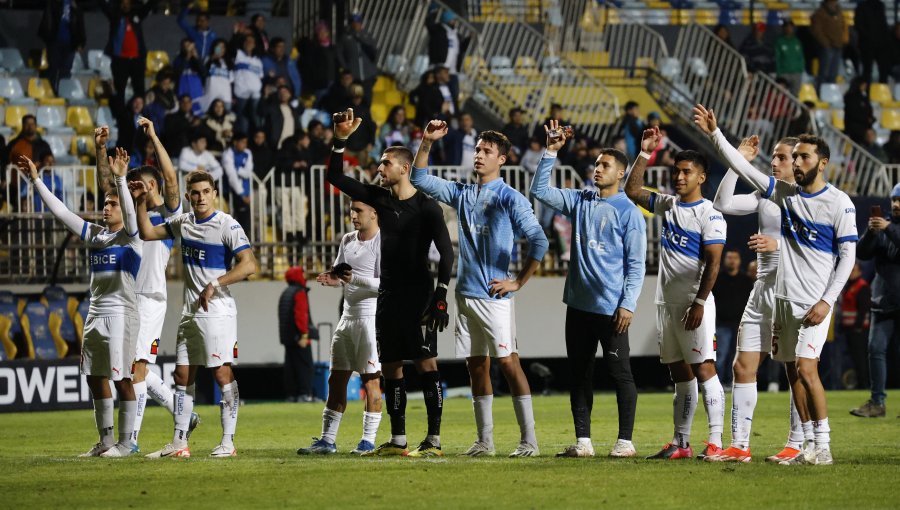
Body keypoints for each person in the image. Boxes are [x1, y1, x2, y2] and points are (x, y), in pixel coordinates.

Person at [695, 104, 858, 466]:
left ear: (819, 162)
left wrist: (826, 298)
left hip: (809, 295)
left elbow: (843, 255)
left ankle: (812, 442)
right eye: (789, 156)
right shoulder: (775, 195)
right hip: (773, 290)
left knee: (803, 367)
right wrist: (719, 138)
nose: (789, 162)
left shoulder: (837, 203)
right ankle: (750, 444)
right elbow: (725, 196)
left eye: (795, 156)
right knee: (780, 367)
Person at [412, 121, 549, 458]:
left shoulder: (509, 197)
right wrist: (427, 142)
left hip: (495, 297)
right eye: (477, 149)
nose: (479, 155)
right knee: (477, 367)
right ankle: (484, 441)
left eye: (487, 151)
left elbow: (540, 240)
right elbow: (418, 179)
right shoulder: (463, 193)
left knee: (508, 364)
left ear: (502, 160)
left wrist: (517, 280)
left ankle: (529, 440)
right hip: (466, 295)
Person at [325, 108, 454, 458]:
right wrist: (340, 139)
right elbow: (335, 176)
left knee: (427, 364)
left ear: (404, 168)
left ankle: (435, 440)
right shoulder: (379, 200)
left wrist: (441, 296)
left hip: (419, 296)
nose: (379, 169)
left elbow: (446, 254)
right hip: (388, 295)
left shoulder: (428, 207)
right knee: (392, 366)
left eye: (385, 164)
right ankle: (398, 439)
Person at [530, 120, 645, 458]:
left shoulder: (630, 213)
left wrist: (628, 304)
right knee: (579, 375)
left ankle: (625, 441)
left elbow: (636, 265)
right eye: (596, 164)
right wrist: (550, 152)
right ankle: (583, 442)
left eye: (605, 165)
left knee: (620, 373)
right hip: (578, 306)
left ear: (620, 173)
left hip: (611, 310)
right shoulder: (581, 199)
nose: (597, 169)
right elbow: (539, 191)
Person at [20, 148, 140, 457]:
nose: (106, 208)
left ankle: (128, 443)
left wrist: (121, 180)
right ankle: (107, 440)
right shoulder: (96, 236)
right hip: (95, 313)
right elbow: (61, 213)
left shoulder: (131, 237)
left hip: (121, 314)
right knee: (94, 375)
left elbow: (129, 211)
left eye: (111, 204)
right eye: (104, 203)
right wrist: (36, 181)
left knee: (123, 377)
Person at [133, 170, 257, 458]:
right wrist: (140, 201)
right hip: (190, 313)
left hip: (218, 312)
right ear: (188, 197)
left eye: (206, 191)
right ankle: (179, 443)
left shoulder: (228, 225)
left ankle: (228, 442)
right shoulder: (183, 223)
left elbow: (249, 265)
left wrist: (215, 284)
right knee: (182, 375)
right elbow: (148, 233)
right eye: (195, 193)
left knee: (221, 373)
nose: (201, 197)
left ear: (214, 193)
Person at [624, 128, 727, 461]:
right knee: (679, 373)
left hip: (692, 305)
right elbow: (632, 189)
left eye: (687, 172)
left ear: (701, 177)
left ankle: (715, 442)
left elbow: (714, 263)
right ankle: (681, 443)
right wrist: (644, 154)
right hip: (666, 303)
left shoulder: (710, 215)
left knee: (704, 368)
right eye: (677, 172)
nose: (679, 177)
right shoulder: (668, 205)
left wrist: (698, 301)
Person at [708, 134, 807, 463]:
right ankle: (739, 445)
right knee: (742, 365)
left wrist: (777, 247)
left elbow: (821, 247)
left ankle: (797, 443)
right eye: (774, 157)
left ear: (799, 161)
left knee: (795, 368)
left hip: (793, 288)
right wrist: (738, 163)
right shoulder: (765, 196)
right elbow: (722, 204)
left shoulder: (806, 197)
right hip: (763, 286)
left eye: (782, 157)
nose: (775, 163)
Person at [102, 120, 199, 451]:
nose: (134, 190)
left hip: (149, 299)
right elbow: (110, 189)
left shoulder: (167, 218)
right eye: (131, 187)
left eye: (140, 185)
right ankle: (182, 412)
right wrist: (102, 152)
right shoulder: (132, 219)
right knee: (134, 368)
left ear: (153, 186)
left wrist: (155, 136)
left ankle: (130, 442)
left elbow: (172, 180)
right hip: (126, 299)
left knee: (136, 370)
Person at [298, 201, 384, 454]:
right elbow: (342, 275)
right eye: (351, 210)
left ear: (374, 212)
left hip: (370, 318)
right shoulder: (347, 239)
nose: (353, 215)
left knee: (371, 381)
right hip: (347, 318)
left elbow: (385, 285)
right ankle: (327, 440)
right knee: (336, 379)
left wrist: (353, 278)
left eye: (358, 210)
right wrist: (333, 278)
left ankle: (368, 441)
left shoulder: (382, 241)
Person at [853, 186, 900, 417]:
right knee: (875, 350)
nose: (896, 204)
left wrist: (888, 228)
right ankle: (877, 403)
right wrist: (871, 233)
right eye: (894, 200)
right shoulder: (884, 225)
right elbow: (861, 254)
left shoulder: (889, 226)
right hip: (883, 300)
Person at [100, 0, 156, 109]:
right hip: (120, 60)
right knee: (119, 89)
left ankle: (139, 116)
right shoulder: (115, 16)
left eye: (127, 3)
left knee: (139, 90)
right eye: (123, 3)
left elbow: (149, 6)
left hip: (137, 59)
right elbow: (104, 6)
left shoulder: (136, 16)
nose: (125, 5)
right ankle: (119, 115)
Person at [711, 250, 754, 387]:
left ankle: (731, 382)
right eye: (729, 257)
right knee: (720, 354)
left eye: (735, 258)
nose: (732, 260)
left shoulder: (746, 280)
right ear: (724, 260)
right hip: (721, 323)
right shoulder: (717, 279)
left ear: (740, 260)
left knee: (736, 355)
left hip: (741, 324)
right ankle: (717, 384)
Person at [280, 267, 316, 403]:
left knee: (291, 367)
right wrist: (304, 335)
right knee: (305, 366)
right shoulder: (299, 292)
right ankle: (304, 394)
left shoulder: (286, 292)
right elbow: (301, 316)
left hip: (288, 338)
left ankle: (292, 395)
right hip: (300, 338)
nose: (305, 277)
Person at [39, 0, 86, 94]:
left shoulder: (75, 5)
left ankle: (63, 93)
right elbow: (48, 21)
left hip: (70, 44)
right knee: (53, 69)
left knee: (66, 71)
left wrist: (81, 42)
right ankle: (50, 93)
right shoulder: (53, 3)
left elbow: (80, 23)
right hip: (54, 43)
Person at [337, 13, 378, 101]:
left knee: (367, 99)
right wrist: (346, 67)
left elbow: (374, 51)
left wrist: (373, 67)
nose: (356, 24)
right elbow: (339, 53)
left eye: (358, 22)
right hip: (354, 75)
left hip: (368, 75)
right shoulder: (345, 37)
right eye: (353, 22)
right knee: (354, 98)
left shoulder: (367, 35)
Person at [222, 132, 254, 233]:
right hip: (231, 191)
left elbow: (248, 173)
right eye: (242, 142)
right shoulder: (228, 154)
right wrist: (241, 194)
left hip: (245, 191)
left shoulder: (247, 153)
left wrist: (238, 169)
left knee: (244, 221)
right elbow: (232, 176)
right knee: (231, 219)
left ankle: (244, 245)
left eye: (246, 142)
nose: (244, 145)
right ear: (235, 142)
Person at [811, 0, 846, 89]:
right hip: (827, 47)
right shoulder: (819, 13)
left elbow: (843, 26)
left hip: (838, 45)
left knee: (834, 73)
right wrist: (825, 43)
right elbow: (817, 30)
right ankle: (821, 93)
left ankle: (830, 93)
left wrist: (843, 39)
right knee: (824, 73)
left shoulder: (839, 12)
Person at [232, 34, 264, 134]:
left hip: (255, 95)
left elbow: (260, 77)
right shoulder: (238, 54)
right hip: (241, 94)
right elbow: (230, 48)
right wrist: (235, 34)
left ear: (254, 45)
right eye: (247, 41)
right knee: (242, 121)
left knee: (257, 120)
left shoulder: (258, 60)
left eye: (251, 41)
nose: (249, 43)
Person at [855, 0, 892, 83]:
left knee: (883, 70)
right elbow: (858, 25)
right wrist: (870, 37)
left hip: (881, 44)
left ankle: (882, 91)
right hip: (867, 45)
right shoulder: (861, 7)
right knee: (867, 70)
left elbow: (883, 24)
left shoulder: (880, 5)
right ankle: (866, 92)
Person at [263, 85, 303, 150]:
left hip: (292, 144)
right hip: (277, 144)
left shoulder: (293, 108)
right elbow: (262, 112)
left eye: (285, 92)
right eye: (280, 92)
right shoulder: (273, 108)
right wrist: (266, 96)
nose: (283, 94)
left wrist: (293, 98)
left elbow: (301, 110)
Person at [201, 39, 233, 112]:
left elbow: (231, 81)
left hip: (226, 96)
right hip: (211, 95)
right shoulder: (207, 59)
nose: (221, 49)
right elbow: (203, 73)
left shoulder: (228, 62)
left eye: (223, 47)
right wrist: (212, 58)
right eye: (218, 47)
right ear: (214, 48)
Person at [775, 21, 805, 95]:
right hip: (784, 72)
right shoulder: (779, 42)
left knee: (795, 95)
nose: (788, 29)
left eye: (790, 27)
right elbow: (777, 58)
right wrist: (779, 72)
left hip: (796, 73)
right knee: (782, 95)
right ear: (783, 28)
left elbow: (800, 56)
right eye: (787, 27)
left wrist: (800, 69)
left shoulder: (796, 41)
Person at [843, 77, 875, 145]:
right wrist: (866, 119)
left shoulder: (864, 97)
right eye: (863, 85)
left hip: (864, 125)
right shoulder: (850, 97)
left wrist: (871, 118)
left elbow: (869, 110)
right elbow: (853, 113)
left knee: (871, 132)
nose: (865, 87)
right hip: (854, 126)